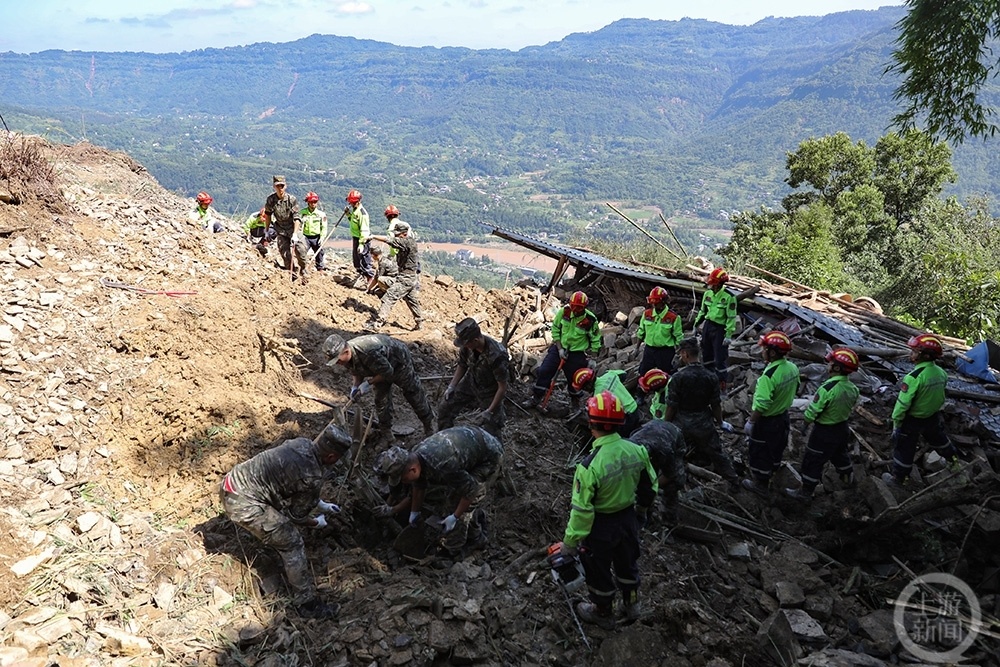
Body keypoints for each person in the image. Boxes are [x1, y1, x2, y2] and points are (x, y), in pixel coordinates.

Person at [219, 424, 352, 619]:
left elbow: (291, 483)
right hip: (242, 503)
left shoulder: (303, 443)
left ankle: (271, 538)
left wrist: (321, 504)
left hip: (233, 481)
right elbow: (296, 517)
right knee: (293, 542)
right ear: (331, 457)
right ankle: (307, 604)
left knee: (279, 521)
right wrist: (317, 522)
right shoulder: (312, 476)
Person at [559, 391, 657, 630]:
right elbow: (649, 485)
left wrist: (570, 543)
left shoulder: (589, 466)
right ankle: (632, 604)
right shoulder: (636, 450)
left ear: (591, 423)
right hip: (628, 518)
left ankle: (602, 611)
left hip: (601, 527)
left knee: (598, 569)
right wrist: (642, 511)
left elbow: (582, 511)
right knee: (628, 562)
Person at [373, 426, 504, 556]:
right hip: (469, 448)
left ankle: (454, 549)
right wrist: (414, 512)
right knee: (454, 498)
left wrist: (454, 517)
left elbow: (471, 491)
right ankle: (475, 534)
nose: (402, 482)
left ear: (412, 470)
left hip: (489, 457)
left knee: (458, 506)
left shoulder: (442, 465)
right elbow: (419, 485)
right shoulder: (414, 456)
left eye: (403, 479)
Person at [323, 333, 434, 441]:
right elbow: (356, 370)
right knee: (381, 400)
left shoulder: (368, 352)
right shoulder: (346, 358)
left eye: (338, 360)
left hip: (399, 363)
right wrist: (355, 387)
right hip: (379, 368)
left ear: (346, 352)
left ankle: (429, 424)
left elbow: (388, 372)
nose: (337, 363)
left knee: (413, 393)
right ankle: (387, 433)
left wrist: (368, 383)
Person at [883, 334, 960, 487]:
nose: (911, 353)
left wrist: (896, 423)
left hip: (912, 420)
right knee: (939, 440)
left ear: (924, 355)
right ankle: (954, 461)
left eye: (914, 351)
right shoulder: (941, 373)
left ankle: (899, 478)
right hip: (932, 416)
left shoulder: (914, 377)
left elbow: (902, 405)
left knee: (904, 448)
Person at [784, 347, 861, 501]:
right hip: (842, 428)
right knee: (840, 454)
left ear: (837, 367)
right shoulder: (853, 389)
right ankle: (847, 478)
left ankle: (806, 492)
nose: (828, 365)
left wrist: (805, 424)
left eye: (830, 363)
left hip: (824, 432)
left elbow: (814, 410)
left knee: (813, 459)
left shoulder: (827, 388)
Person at [663, 338, 740, 490]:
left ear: (685, 354)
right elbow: (716, 404)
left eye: (680, 354)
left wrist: (666, 424)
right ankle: (733, 479)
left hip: (681, 423)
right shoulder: (711, 376)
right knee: (717, 453)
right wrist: (720, 422)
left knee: (674, 453)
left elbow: (671, 405)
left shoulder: (678, 378)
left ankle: (671, 482)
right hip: (703, 423)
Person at [742, 331, 801, 497]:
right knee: (776, 448)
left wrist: (751, 422)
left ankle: (761, 484)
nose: (762, 351)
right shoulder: (792, 368)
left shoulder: (768, 376)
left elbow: (762, 404)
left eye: (765, 349)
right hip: (783, 417)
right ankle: (773, 472)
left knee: (760, 451)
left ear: (773, 352)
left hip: (767, 422)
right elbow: (796, 388)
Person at [522, 291, 602, 412]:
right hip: (559, 349)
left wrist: (593, 359)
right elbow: (555, 329)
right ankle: (536, 398)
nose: (575, 310)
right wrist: (559, 349)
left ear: (585, 307)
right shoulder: (564, 312)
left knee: (574, 380)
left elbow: (596, 339)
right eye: (573, 306)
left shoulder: (590, 320)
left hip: (576, 354)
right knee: (544, 370)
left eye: (579, 308)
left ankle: (575, 404)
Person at [438, 317, 509, 439]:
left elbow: (502, 388)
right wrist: (452, 386)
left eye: (466, 344)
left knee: (491, 428)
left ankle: (495, 455)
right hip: (471, 381)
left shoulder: (497, 355)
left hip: (490, 391)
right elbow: (462, 365)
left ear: (475, 340)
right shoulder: (467, 346)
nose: (465, 346)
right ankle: (445, 440)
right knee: (446, 407)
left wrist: (489, 411)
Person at [364, 211, 422, 331]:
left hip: (405, 278)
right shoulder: (409, 242)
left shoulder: (407, 242)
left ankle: (378, 323)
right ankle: (419, 323)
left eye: (398, 234)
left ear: (404, 234)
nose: (396, 236)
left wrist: (373, 236)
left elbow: (388, 240)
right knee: (412, 301)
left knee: (389, 297)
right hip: (410, 278)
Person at [627, 419, 687, 526]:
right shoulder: (628, 447)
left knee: (674, 483)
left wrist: (651, 488)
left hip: (673, 437)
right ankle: (647, 513)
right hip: (650, 428)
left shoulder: (665, 452)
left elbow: (669, 475)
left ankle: (669, 521)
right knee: (643, 482)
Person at [693, 268, 738, 388]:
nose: (710, 286)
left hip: (720, 329)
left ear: (719, 284)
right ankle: (708, 377)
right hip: (708, 325)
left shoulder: (729, 297)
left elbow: (731, 318)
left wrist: (728, 335)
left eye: (713, 283)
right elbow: (703, 311)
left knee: (720, 357)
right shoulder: (707, 294)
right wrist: (696, 324)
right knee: (706, 353)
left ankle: (721, 383)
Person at [263, 175, 310, 285]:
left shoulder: (291, 200)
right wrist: (266, 229)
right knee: (285, 253)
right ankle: (292, 272)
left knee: (300, 250)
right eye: (277, 186)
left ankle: (303, 269)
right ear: (274, 187)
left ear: (285, 186)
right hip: (281, 229)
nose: (280, 188)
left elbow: (297, 218)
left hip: (293, 228)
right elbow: (268, 214)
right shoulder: (271, 200)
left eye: (282, 186)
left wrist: (294, 234)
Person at [570, 367, 640, 437]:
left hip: (626, 418)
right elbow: (623, 374)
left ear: (588, 385)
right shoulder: (610, 374)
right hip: (635, 408)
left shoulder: (598, 397)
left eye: (584, 388)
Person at [636, 286, 683, 378]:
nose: (654, 305)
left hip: (665, 352)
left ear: (663, 302)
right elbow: (641, 331)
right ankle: (642, 391)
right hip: (649, 350)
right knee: (643, 374)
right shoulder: (647, 314)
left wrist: (679, 353)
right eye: (652, 303)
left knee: (666, 375)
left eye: (656, 303)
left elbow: (678, 336)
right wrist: (637, 348)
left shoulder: (673, 317)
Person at [344, 189, 374, 288]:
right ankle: (362, 276)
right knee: (356, 259)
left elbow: (364, 230)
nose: (351, 204)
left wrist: (361, 244)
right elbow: (353, 222)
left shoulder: (362, 213)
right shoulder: (355, 211)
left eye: (352, 202)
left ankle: (370, 278)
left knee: (364, 259)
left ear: (358, 201)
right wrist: (348, 215)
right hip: (356, 238)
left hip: (363, 239)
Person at [300, 192, 329, 272]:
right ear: (308, 202)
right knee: (301, 252)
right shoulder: (302, 213)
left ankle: (320, 269)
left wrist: (322, 238)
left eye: (315, 202)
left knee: (319, 253)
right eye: (311, 202)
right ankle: (302, 268)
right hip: (305, 237)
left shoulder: (321, 214)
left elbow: (324, 227)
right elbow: (298, 225)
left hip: (317, 237)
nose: (313, 204)